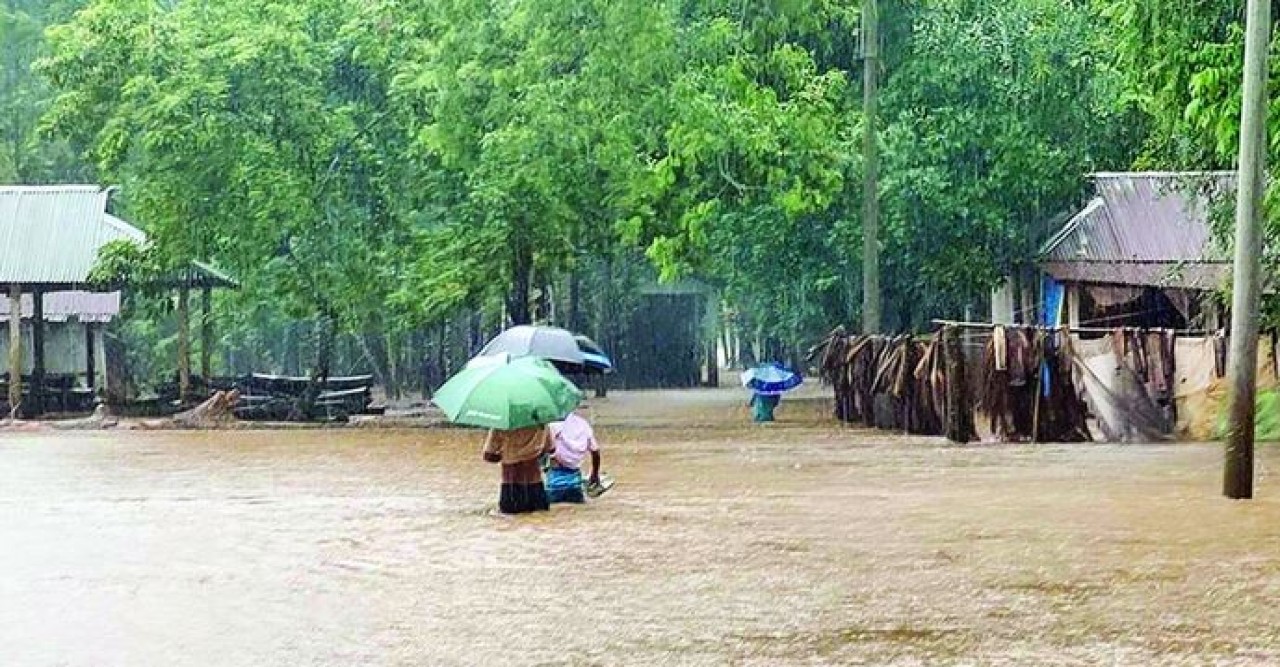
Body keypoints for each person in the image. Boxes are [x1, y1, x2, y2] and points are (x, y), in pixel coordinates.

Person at [483, 423, 554, 514]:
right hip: (536, 487)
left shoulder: (501, 425)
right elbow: (551, 449)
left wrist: (507, 455)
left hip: (511, 487)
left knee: (508, 520)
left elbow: (488, 456)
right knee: (540, 518)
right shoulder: (542, 424)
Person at [545, 407, 602, 504]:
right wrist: (595, 474)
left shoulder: (553, 425)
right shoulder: (583, 424)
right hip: (576, 485)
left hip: (554, 485)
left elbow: (547, 449)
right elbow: (595, 452)